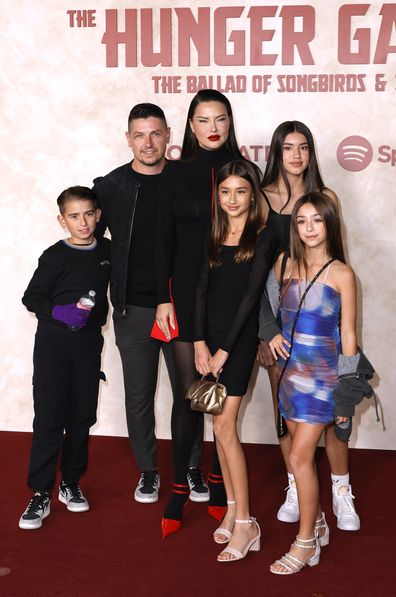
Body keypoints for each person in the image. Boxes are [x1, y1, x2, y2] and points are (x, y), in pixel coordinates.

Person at [93, 104, 205, 504]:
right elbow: (91, 242)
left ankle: (190, 468)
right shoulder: (110, 186)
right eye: (139, 135)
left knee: (188, 393)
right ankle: (148, 471)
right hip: (132, 310)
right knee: (138, 395)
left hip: (178, 306)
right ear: (128, 139)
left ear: (169, 135)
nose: (148, 142)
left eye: (155, 133)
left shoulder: (186, 180)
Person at [257, 121, 360, 532]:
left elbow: (337, 257)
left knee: (336, 418)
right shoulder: (263, 199)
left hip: (324, 322)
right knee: (287, 417)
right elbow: (257, 270)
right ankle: (296, 486)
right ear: (277, 153)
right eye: (288, 148)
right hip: (282, 319)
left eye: (303, 147)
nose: (296, 155)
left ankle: (340, 488)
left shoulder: (326, 197)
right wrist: (267, 330)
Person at [155, 89, 249, 537]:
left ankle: (216, 483)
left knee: (222, 400)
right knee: (188, 396)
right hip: (183, 296)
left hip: (227, 297)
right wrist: (163, 297)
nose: (213, 128)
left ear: (231, 124)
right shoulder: (175, 174)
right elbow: (163, 243)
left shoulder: (244, 172)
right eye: (203, 119)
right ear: (190, 126)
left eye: (221, 119)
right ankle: (177, 490)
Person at [269, 192, 358, 574]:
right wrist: (269, 336)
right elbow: (269, 312)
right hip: (288, 373)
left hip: (324, 379)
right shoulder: (283, 263)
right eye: (302, 220)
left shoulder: (342, 273)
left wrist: (347, 396)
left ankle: (305, 542)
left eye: (317, 220)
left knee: (299, 457)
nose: (309, 228)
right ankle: (317, 523)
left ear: (329, 224)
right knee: (297, 457)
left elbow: (350, 336)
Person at [194, 161, 277, 561]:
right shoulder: (212, 232)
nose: (232, 200)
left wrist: (225, 349)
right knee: (218, 426)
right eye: (225, 192)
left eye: (240, 192)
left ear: (253, 195)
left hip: (239, 342)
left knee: (225, 427)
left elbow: (250, 297)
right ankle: (230, 509)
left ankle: (247, 523)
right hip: (209, 342)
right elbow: (199, 290)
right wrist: (199, 343)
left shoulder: (263, 236)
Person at [19, 187, 110, 529]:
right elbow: (31, 297)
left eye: (88, 214)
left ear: (98, 215)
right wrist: (58, 311)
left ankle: (70, 483)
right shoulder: (54, 256)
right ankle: (40, 492)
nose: (83, 222)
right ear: (62, 220)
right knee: (49, 417)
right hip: (53, 344)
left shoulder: (107, 251)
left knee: (82, 416)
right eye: (74, 216)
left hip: (88, 345)